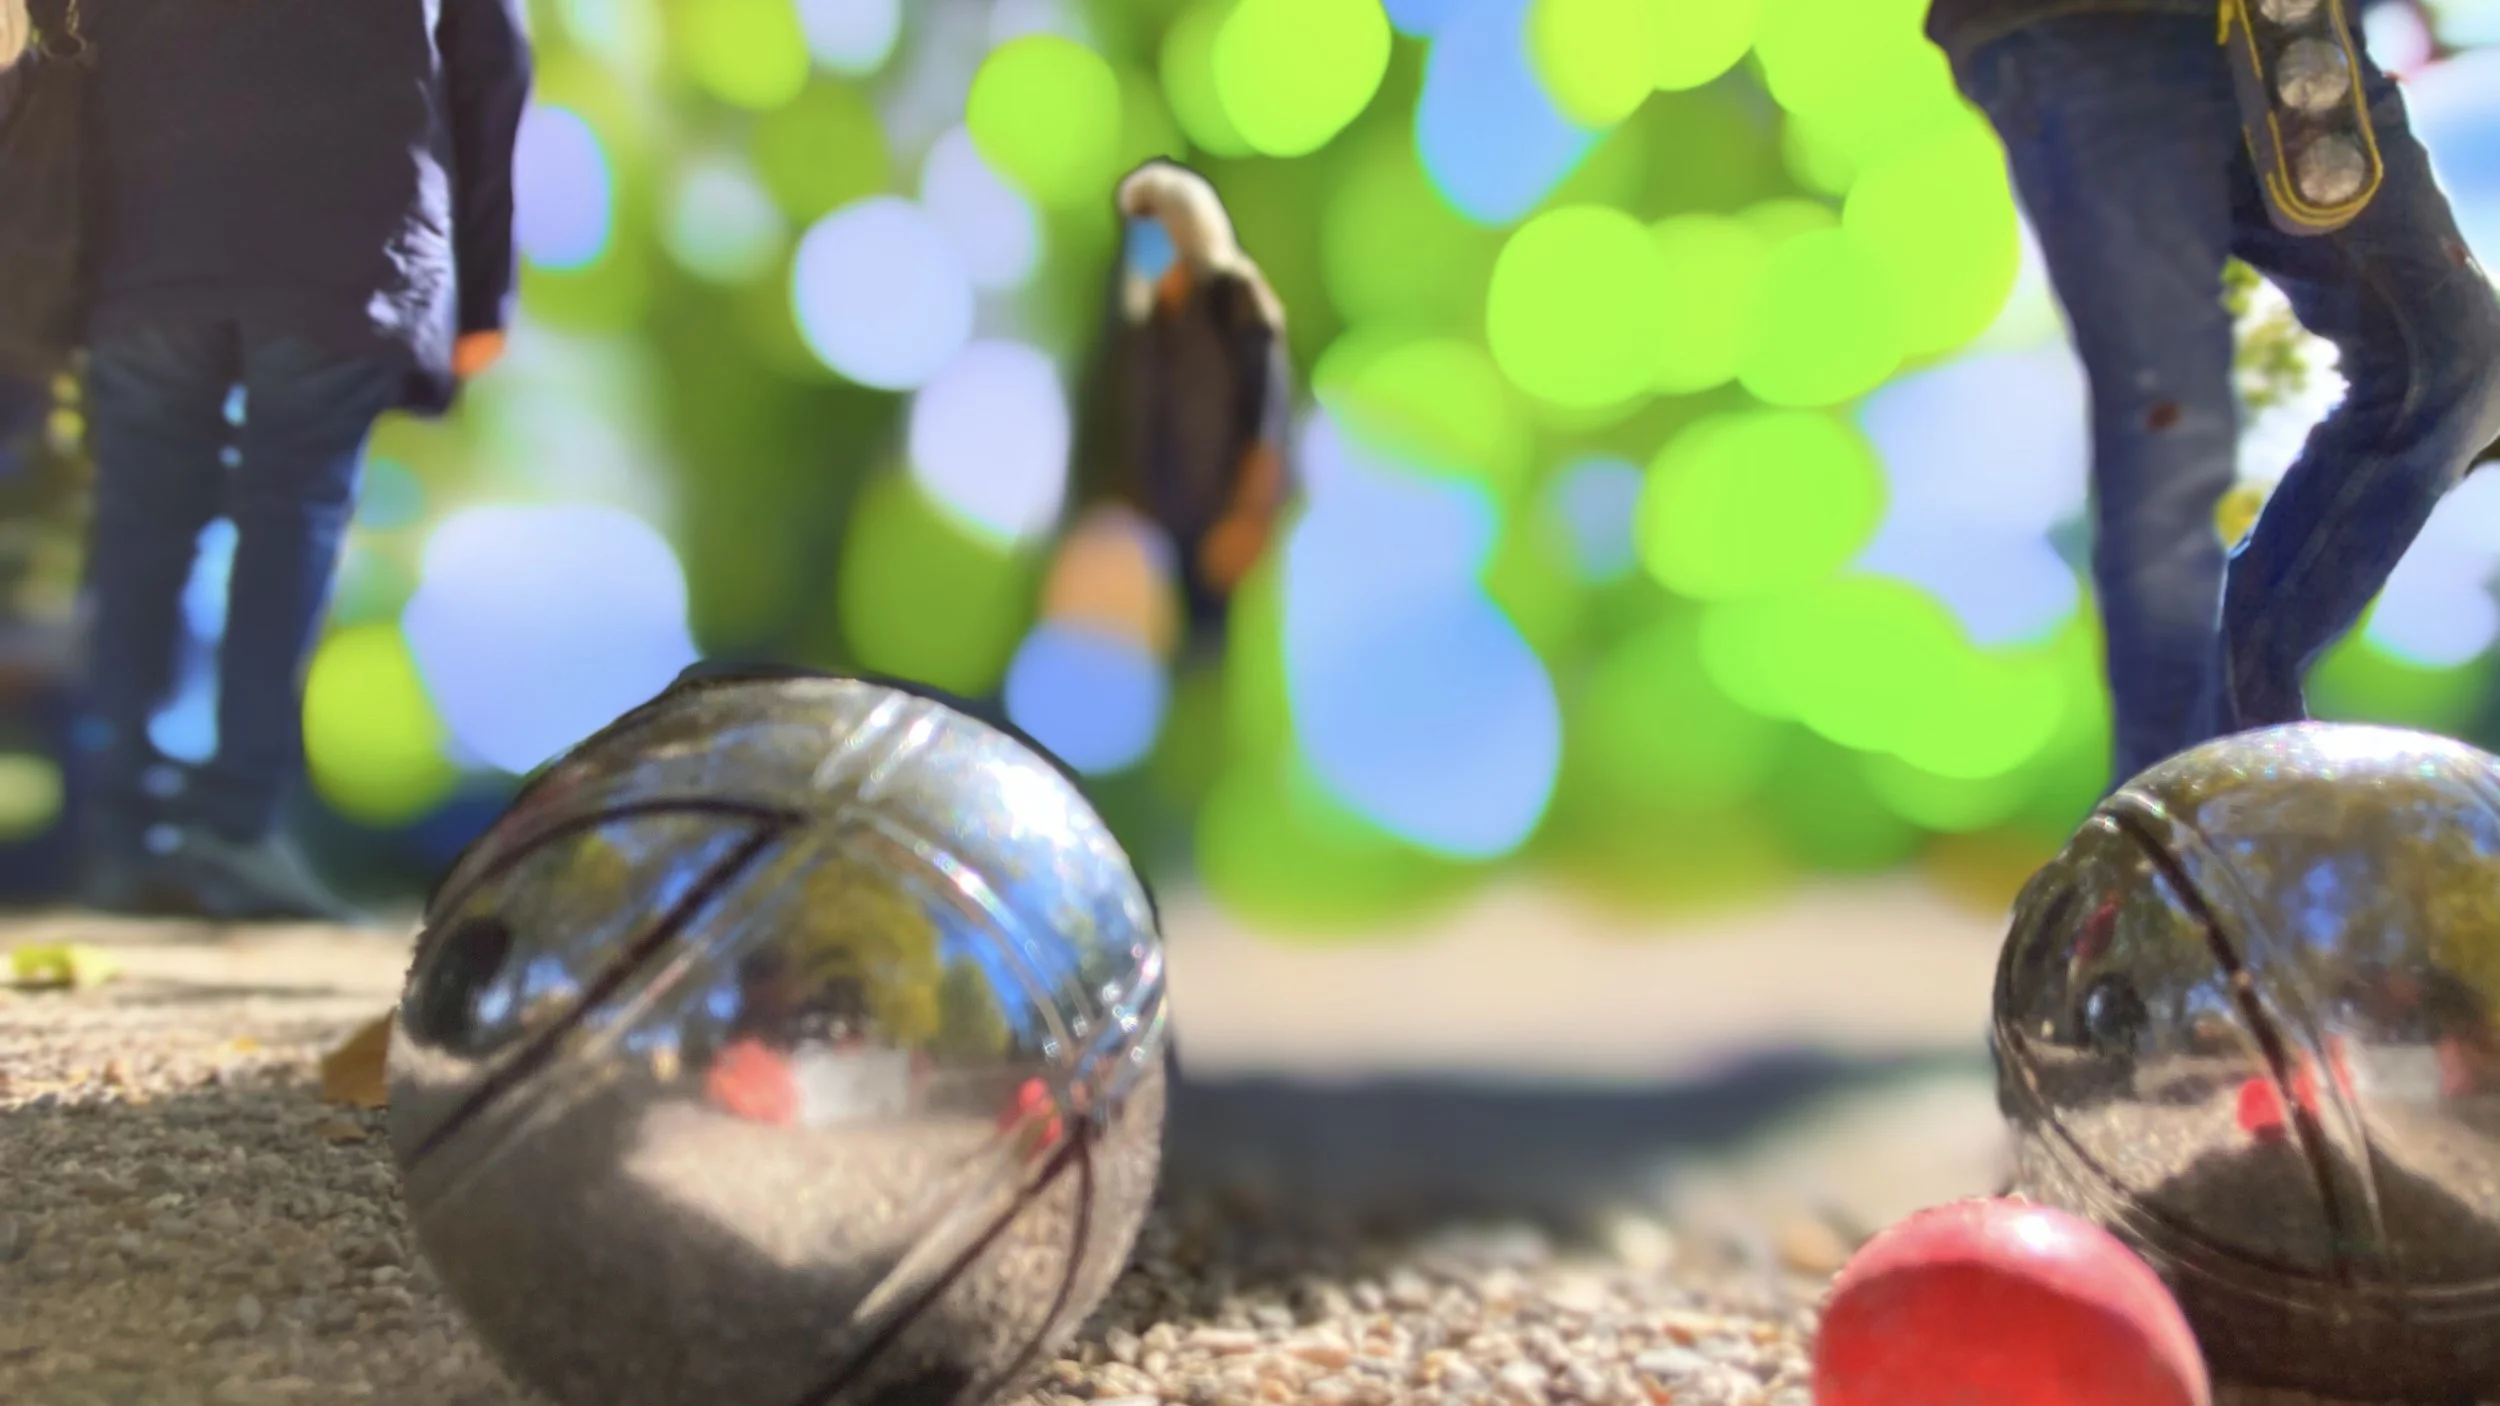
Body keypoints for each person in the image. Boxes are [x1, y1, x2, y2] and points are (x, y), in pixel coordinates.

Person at [0, 0, 532, 920]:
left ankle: (127, 834)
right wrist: (482, 294)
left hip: (143, 222)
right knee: (292, 513)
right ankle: (233, 828)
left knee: (142, 523)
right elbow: (489, 57)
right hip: (344, 225)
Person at [1927, 0, 2500, 790]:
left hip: (2280, 23)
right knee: (2170, 421)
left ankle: (2231, 764)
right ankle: (2184, 815)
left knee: (2449, 355)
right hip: (2092, 25)